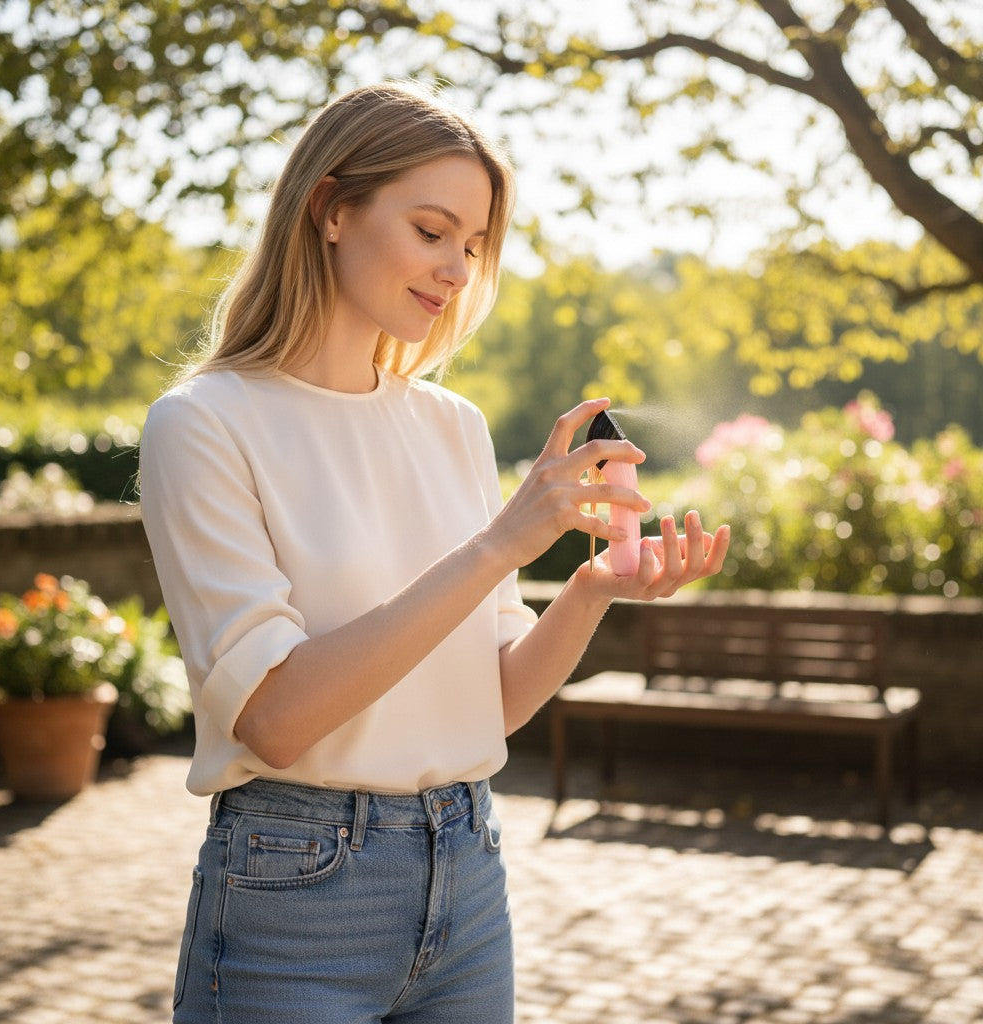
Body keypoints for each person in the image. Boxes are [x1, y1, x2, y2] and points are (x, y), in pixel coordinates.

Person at [139, 81, 730, 1024]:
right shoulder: (205, 425)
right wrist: (503, 542)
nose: (457, 268)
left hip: (467, 877)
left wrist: (586, 592)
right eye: (431, 230)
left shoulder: (454, 427)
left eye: (474, 244)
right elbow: (276, 722)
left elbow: (488, 704)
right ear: (331, 209)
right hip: (293, 898)